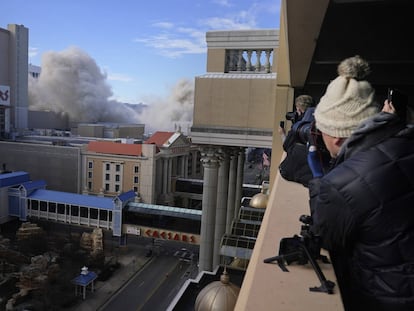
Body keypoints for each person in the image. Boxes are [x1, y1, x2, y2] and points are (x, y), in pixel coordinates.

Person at [307, 55, 414, 310]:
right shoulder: (406, 141)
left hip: (385, 299)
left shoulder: (341, 185)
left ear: (334, 136)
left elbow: (325, 236)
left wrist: (320, 183)